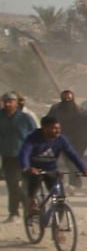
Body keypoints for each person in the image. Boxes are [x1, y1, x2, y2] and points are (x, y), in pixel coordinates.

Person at [19, 116, 87, 212]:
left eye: (58, 128)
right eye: (54, 128)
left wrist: (84, 169)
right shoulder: (32, 138)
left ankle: (58, 223)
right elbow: (24, 153)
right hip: (34, 169)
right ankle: (31, 201)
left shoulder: (61, 139)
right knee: (35, 178)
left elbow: (73, 155)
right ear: (44, 129)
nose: (57, 131)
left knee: (60, 197)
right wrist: (26, 167)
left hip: (51, 169)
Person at [1, 91, 41, 221]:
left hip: (25, 157)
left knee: (25, 187)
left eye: (10, 102)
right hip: (7, 156)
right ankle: (14, 213)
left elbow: (36, 134)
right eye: (5, 101)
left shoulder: (25, 118)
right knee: (12, 186)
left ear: (16, 103)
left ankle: (29, 211)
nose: (7, 104)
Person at [48, 90, 87, 191]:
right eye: (65, 99)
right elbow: (48, 122)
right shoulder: (56, 110)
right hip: (63, 139)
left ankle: (74, 184)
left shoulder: (81, 111)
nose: (67, 101)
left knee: (74, 161)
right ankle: (75, 182)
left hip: (79, 140)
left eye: (69, 99)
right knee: (69, 161)